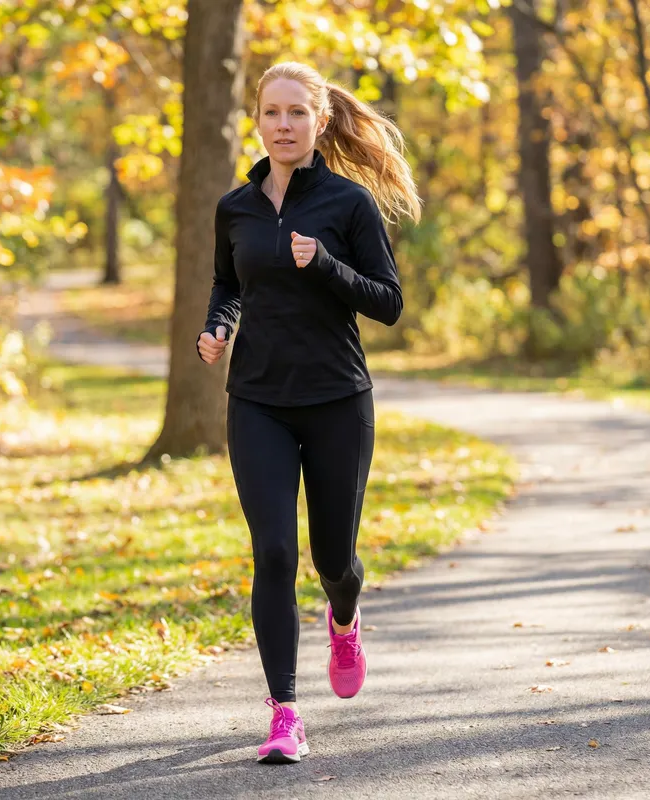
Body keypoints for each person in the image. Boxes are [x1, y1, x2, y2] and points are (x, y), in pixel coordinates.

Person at [196, 61, 422, 765]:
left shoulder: (348, 205)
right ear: (257, 121)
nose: (284, 125)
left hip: (336, 401)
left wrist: (324, 263)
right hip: (257, 401)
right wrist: (217, 327)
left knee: (334, 560)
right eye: (272, 113)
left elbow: (387, 302)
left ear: (319, 121)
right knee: (273, 552)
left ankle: (346, 617)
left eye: (297, 112)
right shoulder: (235, 206)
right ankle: (285, 712)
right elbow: (226, 283)